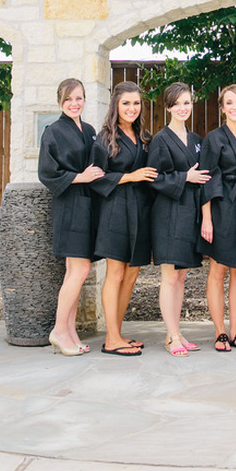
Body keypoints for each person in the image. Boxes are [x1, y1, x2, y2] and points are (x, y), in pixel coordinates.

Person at [38, 78, 104, 356]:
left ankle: (70, 331)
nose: (74, 104)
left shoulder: (88, 130)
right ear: (60, 102)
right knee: (80, 270)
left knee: (74, 272)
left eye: (79, 98)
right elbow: (47, 172)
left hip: (87, 205)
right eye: (68, 99)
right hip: (69, 206)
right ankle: (58, 330)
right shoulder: (53, 132)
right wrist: (80, 176)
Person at [91, 81, 158, 356]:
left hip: (140, 210)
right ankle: (111, 339)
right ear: (116, 106)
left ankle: (116, 332)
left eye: (136, 103)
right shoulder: (105, 138)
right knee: (116, 273)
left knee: (132, 275)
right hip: (115, 210)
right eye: (126, 103)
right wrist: (130, 176)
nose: (132, 108)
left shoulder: (144, 137)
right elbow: (96, 177)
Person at [147, 82, 211, 356]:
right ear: (168, 107)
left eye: (187, 103)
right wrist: (185, 177)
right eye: (177, 104)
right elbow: (154, 178)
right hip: (168, 214)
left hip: (190, 213)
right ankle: (171, 335)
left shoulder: (196, 140)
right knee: (169, 277)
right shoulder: (160, 140)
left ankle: (178, 331)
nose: (183, 108)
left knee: (182, 276)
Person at [199, 84, 236, 352]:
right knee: (218, 270)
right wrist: (207, 218)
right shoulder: (214, 138)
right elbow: (206, 178)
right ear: (222, 107)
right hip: (222, 207)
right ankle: (219, 331)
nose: (235, 107)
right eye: (229, 103)